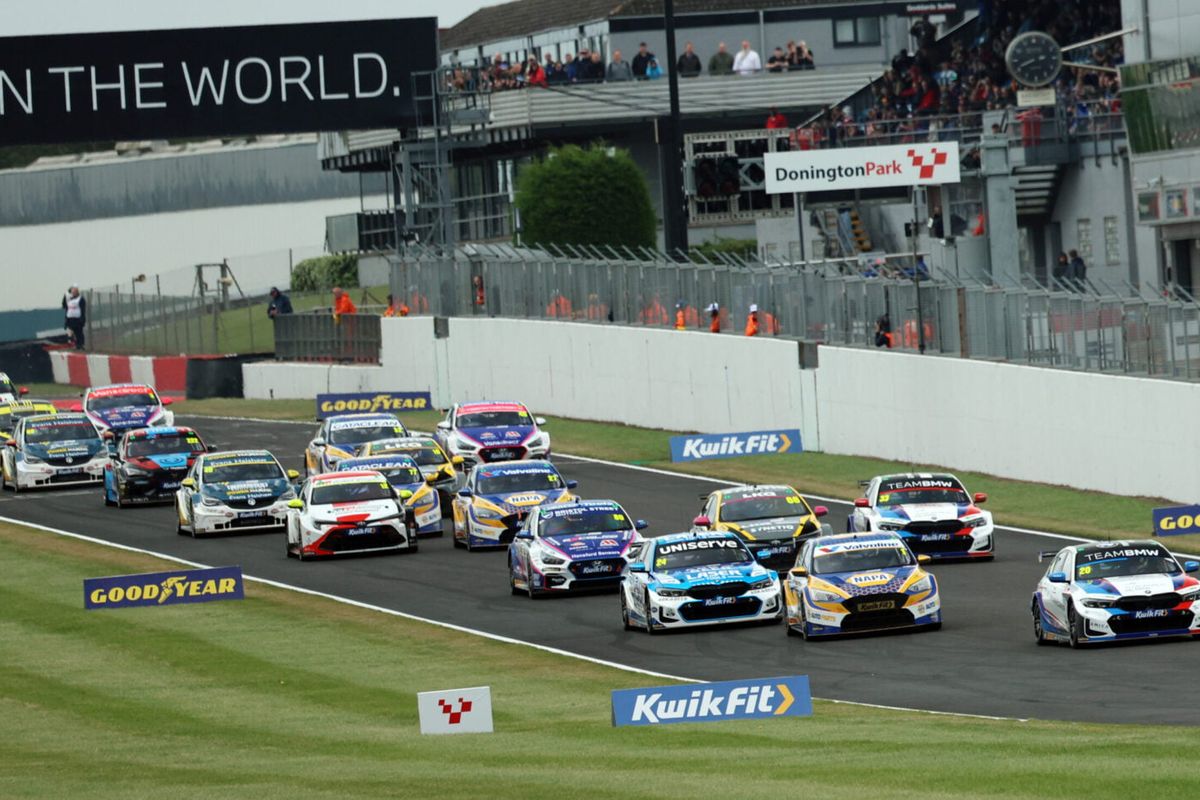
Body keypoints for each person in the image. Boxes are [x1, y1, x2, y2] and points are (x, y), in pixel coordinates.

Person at [62, 284, 86, 350]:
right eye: (72, 292)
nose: (73, 293)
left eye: (74, 291)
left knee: (79, 332)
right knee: (74, 332)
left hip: (78, 318)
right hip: (71, 319)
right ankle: (77, 344)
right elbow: (64, 306)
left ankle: (81, 344)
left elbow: (83, 309)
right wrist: (65, 296)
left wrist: (82, 319)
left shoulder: (80, 299)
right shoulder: (69, 300)